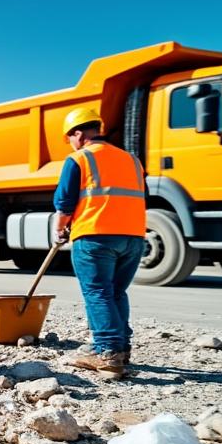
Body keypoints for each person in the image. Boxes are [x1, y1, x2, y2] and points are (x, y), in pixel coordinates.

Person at [54, 107, 147, 377]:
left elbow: (65, 203)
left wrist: (60, 230)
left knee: (97, 292)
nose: (70, 143)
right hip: (133, 237)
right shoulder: (132, 160)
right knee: (116, 292)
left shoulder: (79, 159)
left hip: (95, 236)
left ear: (78, 133)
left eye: (70, 137)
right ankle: (122, 347)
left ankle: (107, 351)